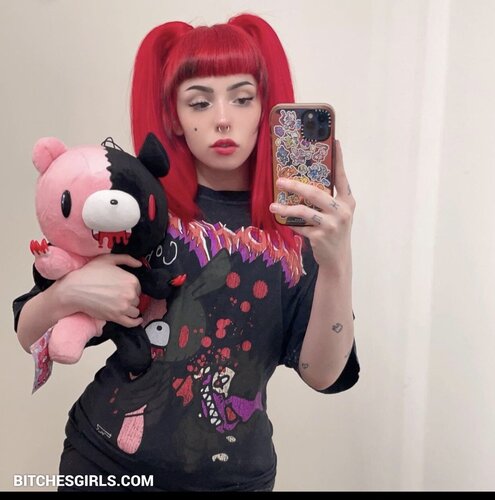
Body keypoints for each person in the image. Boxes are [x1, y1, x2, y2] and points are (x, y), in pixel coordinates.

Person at [13, 13, 359, 491]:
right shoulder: (138, 207)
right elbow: (28, 332)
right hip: (105, 465)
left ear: (266, 107)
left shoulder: (297, 227)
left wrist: (337, 261)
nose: (223, 118)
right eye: (199, 102)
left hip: (234, 479)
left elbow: (321, 374)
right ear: (174, 116)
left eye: (242, 98)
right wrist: (68, 292)